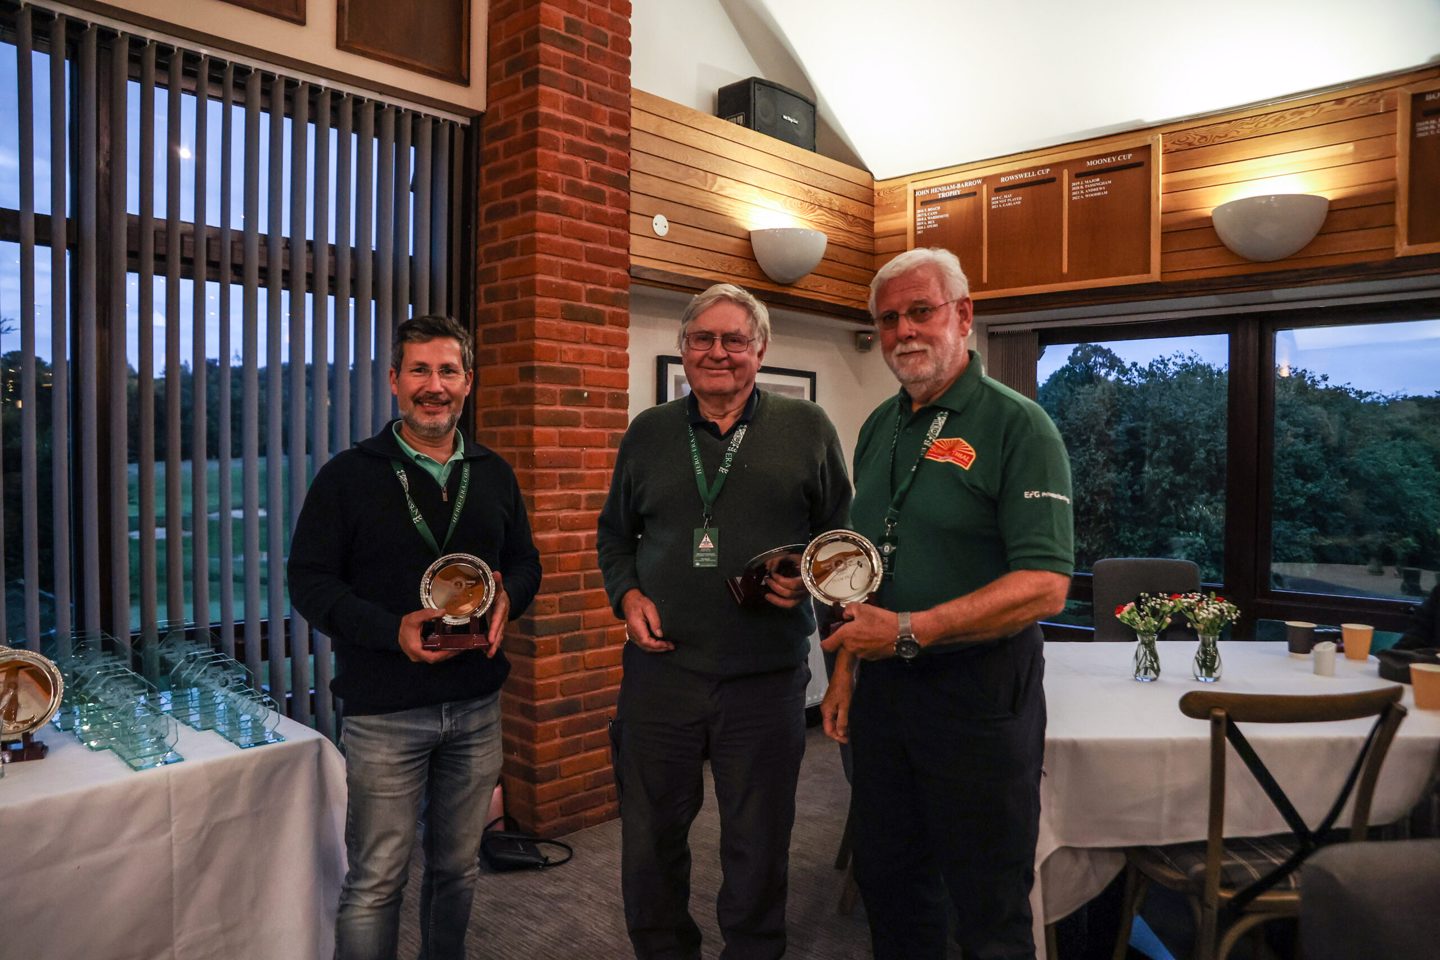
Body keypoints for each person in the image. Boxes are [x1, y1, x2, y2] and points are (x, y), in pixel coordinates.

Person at [821, 248, 1074, 960]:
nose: (903, 330)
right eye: (888, 319)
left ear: (963, 316)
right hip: (885, 691)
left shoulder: (1019, 425)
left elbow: (1046, 584)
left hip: (980, 691)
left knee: (986, 902)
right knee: (890, 883)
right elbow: (867, 567)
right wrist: (846, 671)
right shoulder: (879, 425)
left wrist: (909, 629)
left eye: (920, 311)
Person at [597, 283, 851, 960]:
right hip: (661, 674)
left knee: (758, 844)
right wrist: (627, 595)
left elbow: (839, 542)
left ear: (760, 349)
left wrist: (807, 579)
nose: (718, 352)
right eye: (702, 338)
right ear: (684, 348)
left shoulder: (808, 429)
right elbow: (614, 536)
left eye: (734, 339)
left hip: (763, 680)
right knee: (649, 841)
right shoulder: (649, 432)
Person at [288, 314, 542, 960]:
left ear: (468, 382)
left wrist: (510, 597)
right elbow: (308, 581)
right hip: (385, 711)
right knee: (377, 881)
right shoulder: (347, 476)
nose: (435, 385)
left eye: (448, 371)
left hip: (477, 705)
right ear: (395, 380)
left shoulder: (493, 472)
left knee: (457, 869)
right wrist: (388, 629)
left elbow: (524, 561)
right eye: (420, 370)